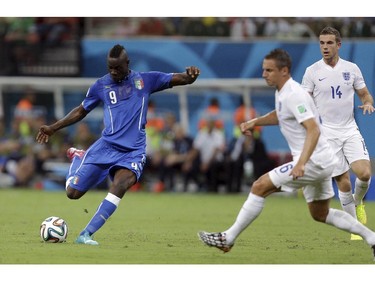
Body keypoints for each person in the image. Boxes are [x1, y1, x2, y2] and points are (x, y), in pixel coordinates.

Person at [197, 48, 375, 260]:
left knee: (259, 186)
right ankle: (372, 238)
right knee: (320, 213)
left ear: (284, 71)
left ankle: (228, 237)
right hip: (322, 160)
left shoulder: (294, 94)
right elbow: (280, 115)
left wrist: (301, 163)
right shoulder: (283, 92)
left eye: (269, 70)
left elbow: (313, 129)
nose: (264, 74)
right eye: (264, 70)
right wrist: (255, 121)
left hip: (313, 162)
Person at [35, 43, 200, 245]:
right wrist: (54, 127)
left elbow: (177, 78)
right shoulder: (100, 86)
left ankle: (85, 234)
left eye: (117, 67)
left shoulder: (145, 80)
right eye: (110, 67)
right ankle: (78, 157)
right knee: (73, 193)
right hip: (106, 146)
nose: (113, 71)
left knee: (121, 184)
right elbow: (81, 110)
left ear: (127, 63)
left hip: (133, 151)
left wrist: (189, 77)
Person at [301, 26, 374, 240]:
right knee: (343, 181)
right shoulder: (312, 71)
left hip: (349, 129)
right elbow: (304, 101)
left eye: (329, 43)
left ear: (338, 44)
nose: (325, 47)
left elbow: (365, 94)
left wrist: (368, 103)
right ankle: (355, 230)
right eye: (322, 43)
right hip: (327, 134)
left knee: (365, 174)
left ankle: (358, 201)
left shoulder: (351, 68)